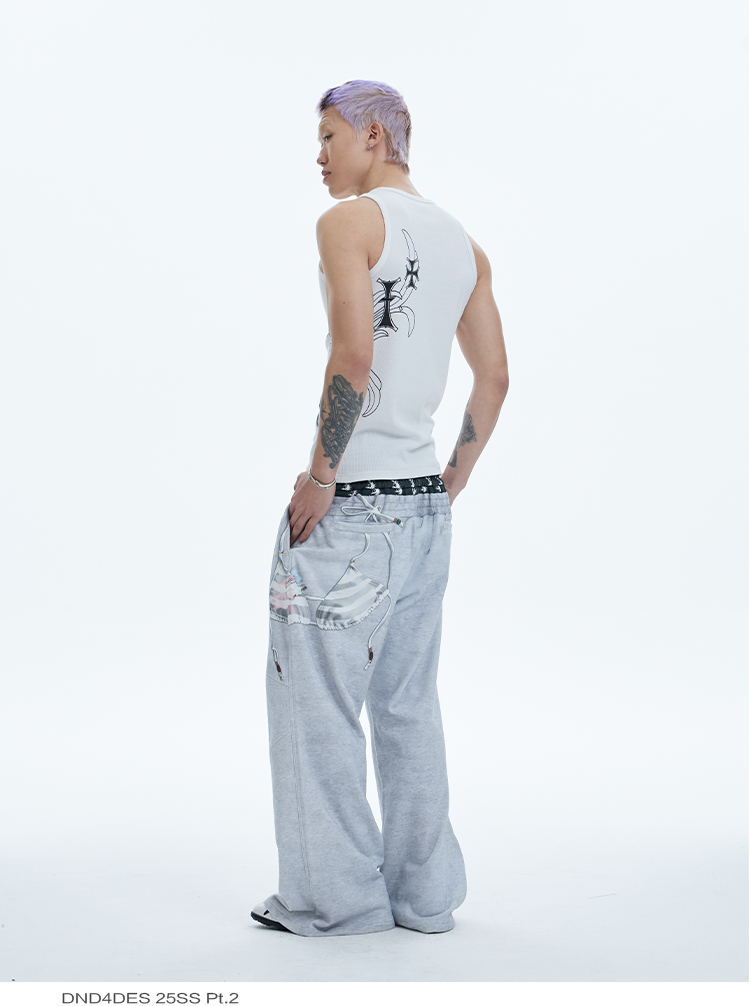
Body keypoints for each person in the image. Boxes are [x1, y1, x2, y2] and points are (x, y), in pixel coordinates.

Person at [252, 80, 509, 938]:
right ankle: (426, 899)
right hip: (424, 511)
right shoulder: (464, 244)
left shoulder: (350, 223)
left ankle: (339, 902)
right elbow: (495, 378)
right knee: (407, 705)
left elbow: (353, 356)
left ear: (373, 134)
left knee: (316, 709)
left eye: (329, 135)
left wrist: (321, 476)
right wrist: (450, 481)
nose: (319, 156)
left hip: (353, 509)